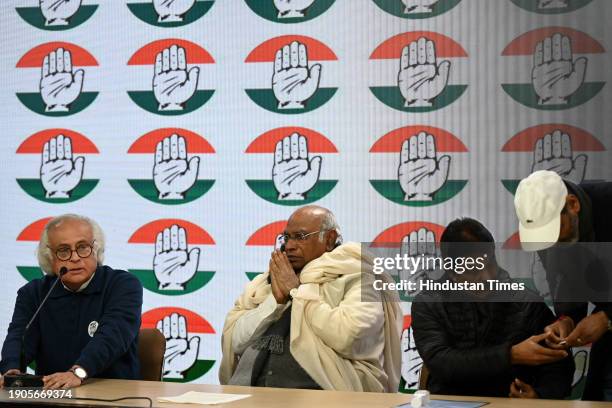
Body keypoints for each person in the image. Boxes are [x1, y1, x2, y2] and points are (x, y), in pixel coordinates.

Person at [219, 205, 402, 392]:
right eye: (287, 237)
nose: (289, 246)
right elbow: (236, 341)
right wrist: (276, 302)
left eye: (301, 237)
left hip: (322, 396)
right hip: (250, 393)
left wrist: (298, 293)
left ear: (329, 239)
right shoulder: (267, 281)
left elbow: (350, 337)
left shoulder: (359, 276)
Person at [411, 218, 574, 399]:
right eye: (474, 270)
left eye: (490, 264)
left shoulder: (526, 301)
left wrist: (540, 396)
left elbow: (559, 362)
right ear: (451, 272)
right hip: (451, 401)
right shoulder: (428, 302)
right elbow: (441, 362)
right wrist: (510, 355)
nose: (487, 277)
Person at [0, 214, 143, 389]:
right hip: (52, 395)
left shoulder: (122, 285)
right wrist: (11, 371)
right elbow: (19, 337)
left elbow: (113, 335)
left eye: (83, 247)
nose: (75, 257)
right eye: (63, 250)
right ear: (50, 257)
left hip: (115, 395)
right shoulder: (34, 293)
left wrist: (78, 372)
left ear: (96, 250)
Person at [515, 170, 612, 401]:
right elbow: (568, 287)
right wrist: (566, 320)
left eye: (555, 232)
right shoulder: (547, 235)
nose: (552, 244)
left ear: (573, 204)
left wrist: (607, 318)